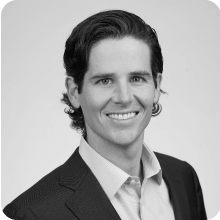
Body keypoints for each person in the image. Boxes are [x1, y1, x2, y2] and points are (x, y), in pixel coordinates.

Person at [3, 10, 207, 220]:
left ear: (156, 87)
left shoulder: (183, 178)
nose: (124, 97)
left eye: (137, 78)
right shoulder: (29, 214)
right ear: (74, 92)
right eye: (105, 81)